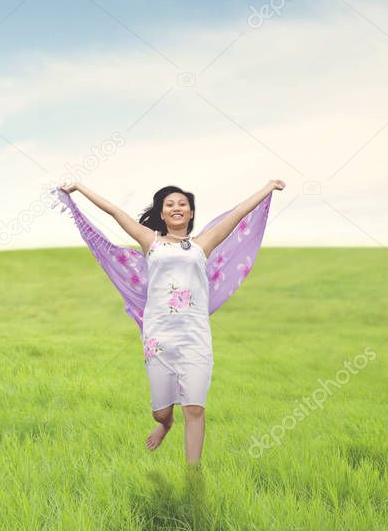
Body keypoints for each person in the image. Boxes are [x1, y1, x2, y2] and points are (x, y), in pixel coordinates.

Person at [59, 180, 285, 464]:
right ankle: (165, 426)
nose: (176, 208)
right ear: (162, 214)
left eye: (182, 204)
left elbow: (238, 214)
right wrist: (79, 187)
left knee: (194, 408)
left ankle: (193, 474)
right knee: (161, 411)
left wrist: (268, 187)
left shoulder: (203, 244)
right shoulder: (149, 241)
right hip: (159, 339)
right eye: (170, 205)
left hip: (195, 338)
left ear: (191, 213)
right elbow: (115, 212)